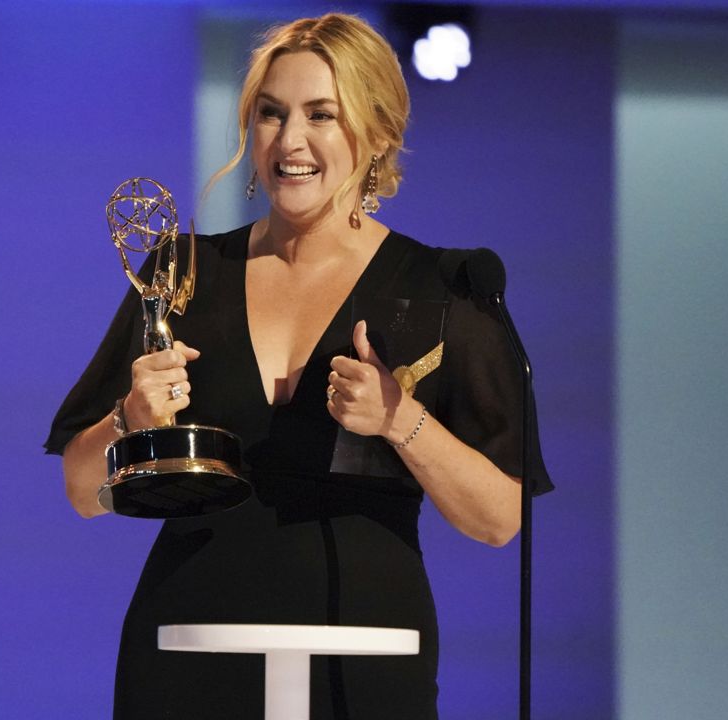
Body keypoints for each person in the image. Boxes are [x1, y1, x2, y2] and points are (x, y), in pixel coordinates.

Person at [45, 13, 553, 719]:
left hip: (365, 651)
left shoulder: (443, 288)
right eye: (271, 114)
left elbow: (500, 519)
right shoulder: (183, 274)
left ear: (376, 133)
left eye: (322, 115)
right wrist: (128, 420)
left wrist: (400, 419)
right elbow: (79, 487)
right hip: (191, 645)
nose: (290, 141)